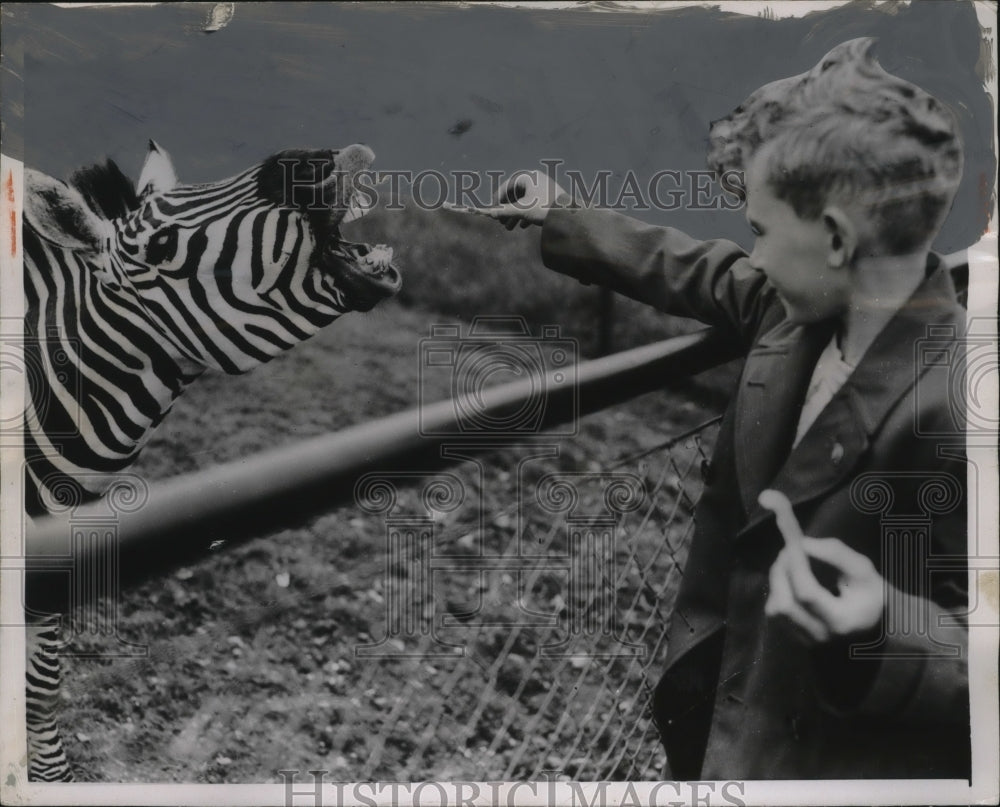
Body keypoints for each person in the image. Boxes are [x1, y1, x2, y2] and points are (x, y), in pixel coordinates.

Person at [475, 39, 970, 779]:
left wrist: (883, 626)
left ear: (835, 237)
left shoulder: (964, 411)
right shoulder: (793, 309)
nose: (755, 258)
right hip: (718, 725)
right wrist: (562, 215)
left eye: (762, 232)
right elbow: (695, 269)